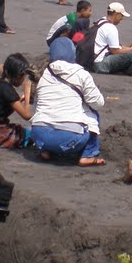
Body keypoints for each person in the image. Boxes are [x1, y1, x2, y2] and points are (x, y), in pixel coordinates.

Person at [31, 37, 106, 166]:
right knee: (93, 115)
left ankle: (45, 151)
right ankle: (88, 154)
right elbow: (98, 103)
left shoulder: (44, 74)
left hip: (39, 135)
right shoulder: (81, 74)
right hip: (69, 138)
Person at [0, 53, 34, 149]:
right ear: (18, 75)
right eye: (23, 76)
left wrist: (21, 100)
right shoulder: (7, 90)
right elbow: (27, 115)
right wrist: (27, 93)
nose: (23, 79)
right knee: (36, 134)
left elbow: (5, 107)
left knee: (26, 130)